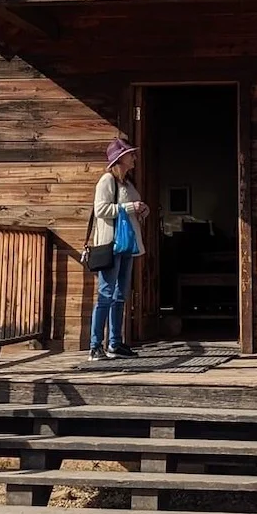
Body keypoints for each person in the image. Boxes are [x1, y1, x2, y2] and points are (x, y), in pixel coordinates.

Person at [88, 137, 148, 361]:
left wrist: (142, 209)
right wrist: (127, 207)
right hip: (111, 246)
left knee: (120, 295)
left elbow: (131, 206)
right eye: (130, 154)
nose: (134, 157)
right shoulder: (106, 181)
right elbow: (100, 209)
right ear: (120, 159)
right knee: (105, 294)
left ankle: (115, 342)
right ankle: (95, 345)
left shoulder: (127, 184)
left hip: (127, 246)